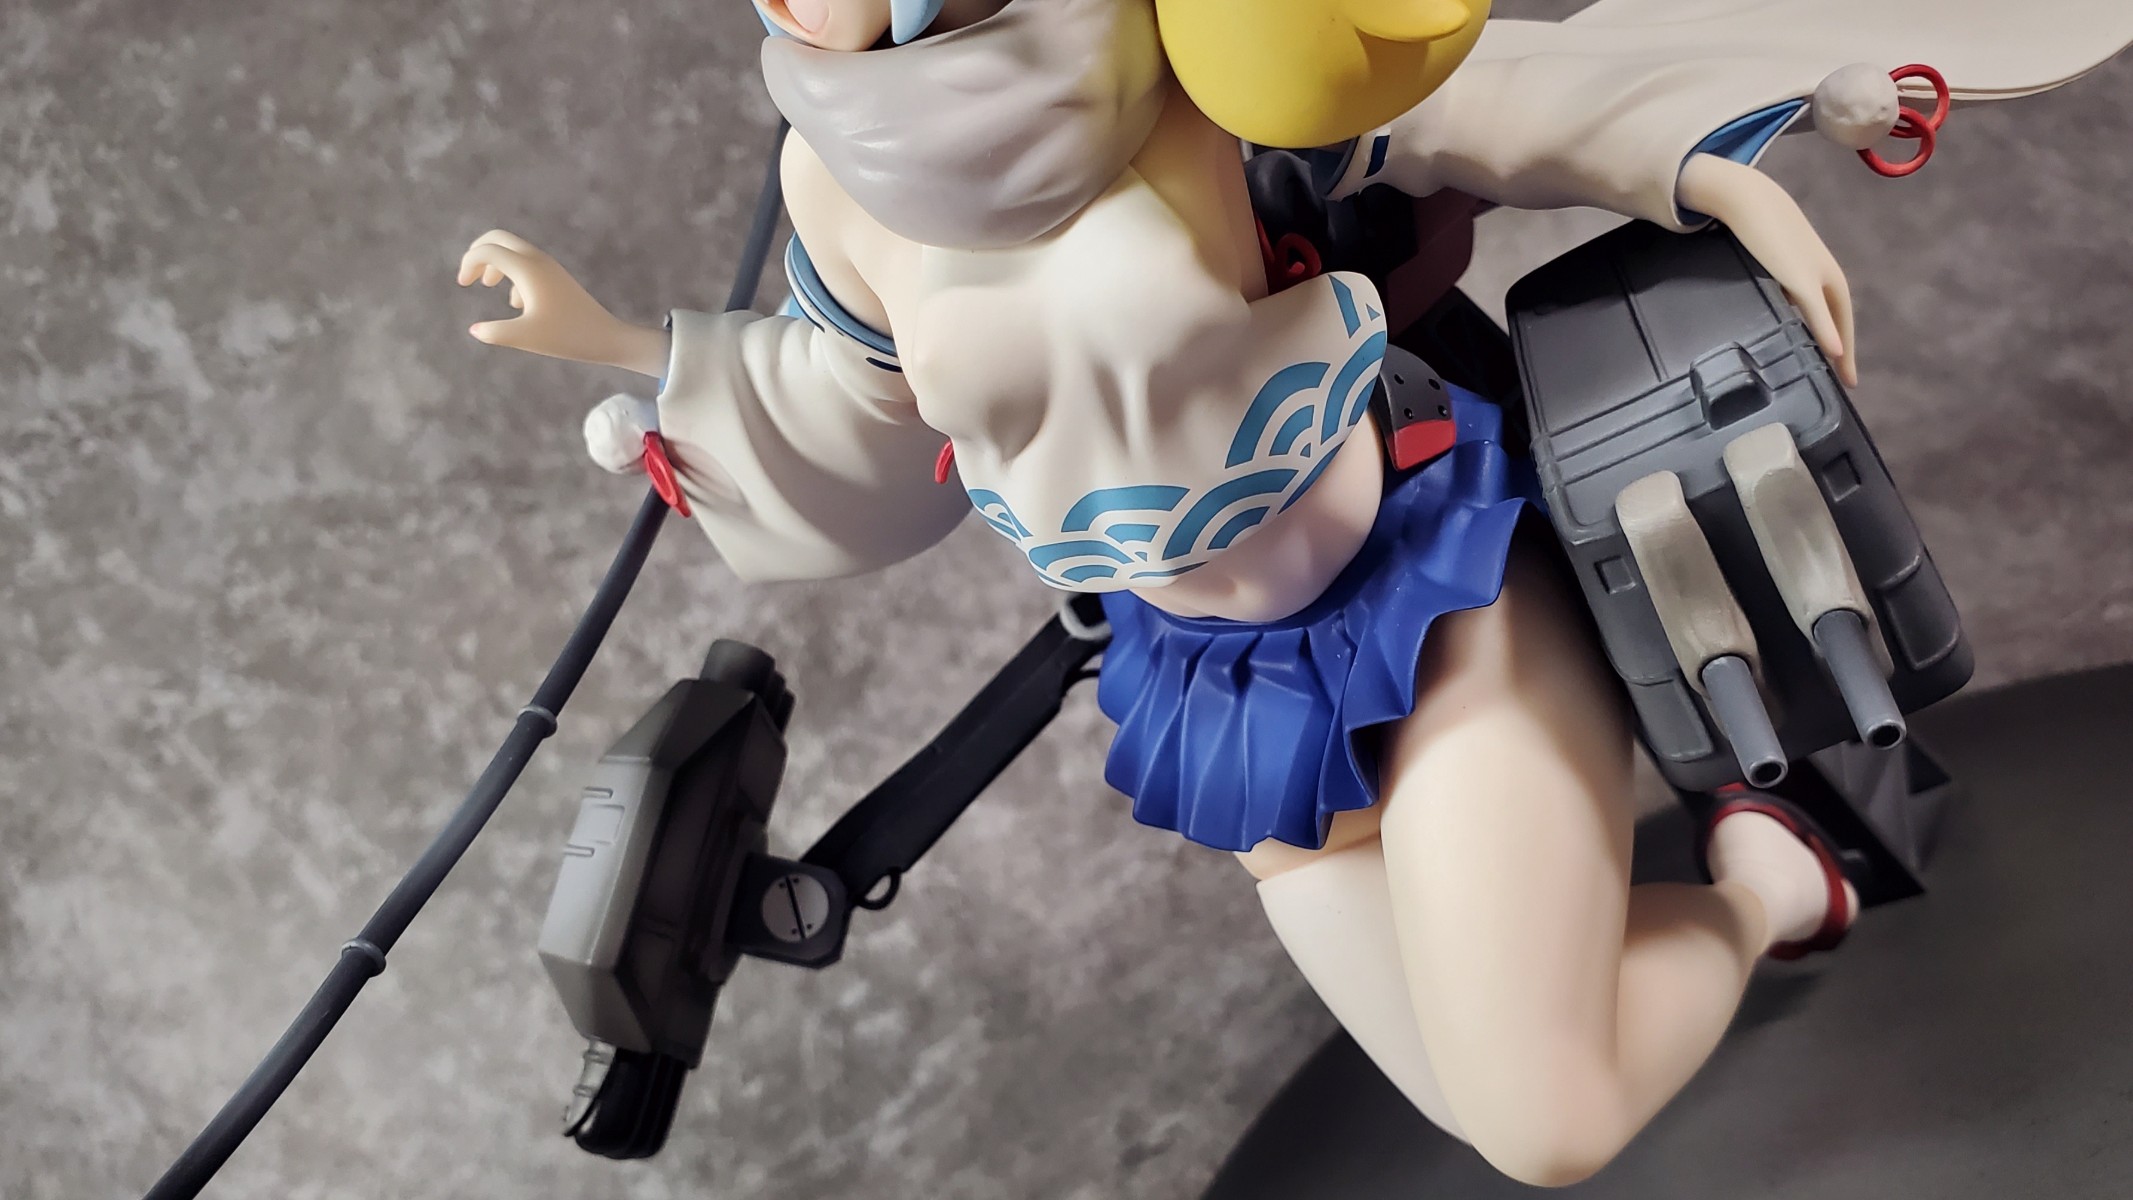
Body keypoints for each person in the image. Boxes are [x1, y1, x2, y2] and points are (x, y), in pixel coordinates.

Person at [455, 0, 2133, 1182]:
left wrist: (1713, 162)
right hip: (1217, 684)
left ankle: (1767, 888)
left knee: (1544, 1121)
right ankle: (1708, 895)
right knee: (1465, 1097)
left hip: (1428, 590)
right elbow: (855, 414)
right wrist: (627, 353)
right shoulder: (838, 184)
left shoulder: (1192, 58)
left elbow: (1483, 102)